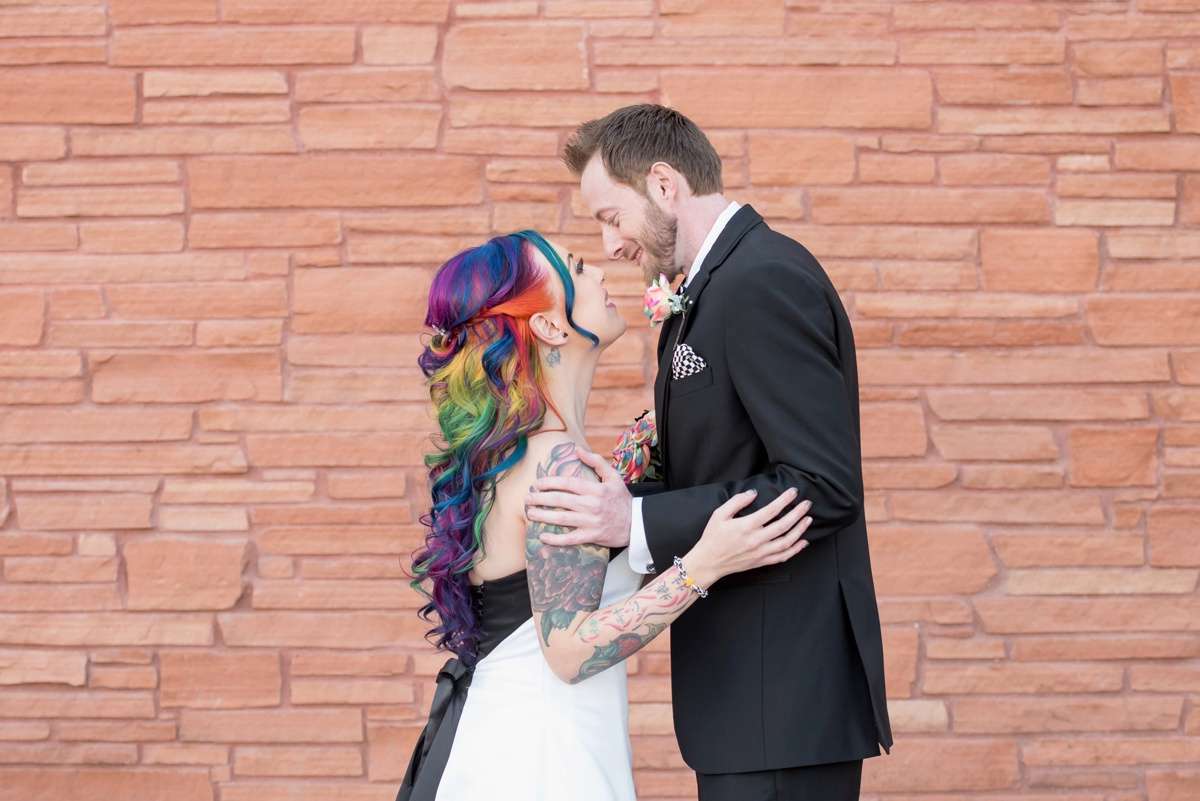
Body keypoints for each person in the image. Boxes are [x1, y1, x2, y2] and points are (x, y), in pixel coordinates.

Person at [526, 104, 894, 801]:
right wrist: (619, 502)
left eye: (612, 217)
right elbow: (725, 466)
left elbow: (822, 484)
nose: (609, 245)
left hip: (780, 693)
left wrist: (634, 522)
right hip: (750, 699)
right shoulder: (713, 286)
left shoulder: (761, 281)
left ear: (664, 185)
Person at [396, 229, 813, 801]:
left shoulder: (521, 453)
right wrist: (704, 565)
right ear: (549, 326)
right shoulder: (559, 466)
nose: (598, 273)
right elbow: (569, 651)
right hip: (541, 758)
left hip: (507, 735)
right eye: (576, 269)